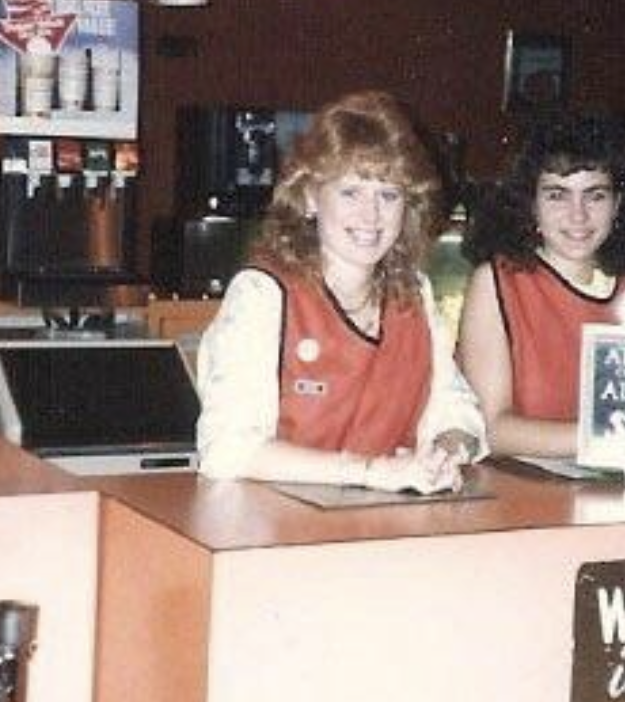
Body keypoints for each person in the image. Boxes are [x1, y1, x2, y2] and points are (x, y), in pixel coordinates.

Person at [195, 91, 487, 492]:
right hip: (272, 535)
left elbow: (457, 410)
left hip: (379, 531)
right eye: (351, 192)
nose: (371, 215)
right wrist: (370, 473)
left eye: (389, 195)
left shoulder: (414, 295)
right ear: (311, 197)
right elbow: (227, 450)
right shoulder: (263, 295)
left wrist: (446, 448)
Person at [456, 111, 625, 458]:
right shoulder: (497, 282)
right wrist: (610, 439)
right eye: (557, 195)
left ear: (618, 205)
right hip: (516, 495)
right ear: (530, 204)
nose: (578, 215)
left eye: (595, 195)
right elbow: (491, 429)